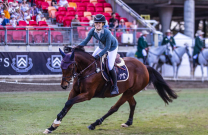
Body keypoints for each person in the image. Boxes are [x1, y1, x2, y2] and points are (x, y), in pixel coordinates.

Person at [78, 14, 119, 95]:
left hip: (112, 47)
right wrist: (76, 47)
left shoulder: (107, 32)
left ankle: (115, 86)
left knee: (110, 66)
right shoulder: (92, 31)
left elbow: (107, 47)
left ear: (103, 24)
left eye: (99, 23)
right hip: (101, 46)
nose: (97, 24)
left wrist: (99, 55)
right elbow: (85, 41)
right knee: (92, 60)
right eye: (96, 23)